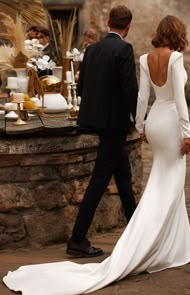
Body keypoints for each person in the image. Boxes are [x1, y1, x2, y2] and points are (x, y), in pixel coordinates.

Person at [2, 14, 190, 295]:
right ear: (127, 25)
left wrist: (141, 123)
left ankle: (147, 234)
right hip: (143, 125)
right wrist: (180, 130)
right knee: (152, 183)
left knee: (130, 178)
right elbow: (151, 95)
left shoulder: (100, 50)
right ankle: (88, 239)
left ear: (109, 23)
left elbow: (87, 87)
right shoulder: (152, 55)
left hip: (137, 123)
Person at [67, 5, 138, 258]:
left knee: (123, 176)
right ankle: (77, 239)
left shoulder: (93, 49)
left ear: (108, 22)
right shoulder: (124, 49)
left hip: (96, 121)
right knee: (99, 181)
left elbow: (82, 86)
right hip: (114, 125)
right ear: (128, 27)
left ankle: (136, 231)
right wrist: (140, 120)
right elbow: (130, 90)